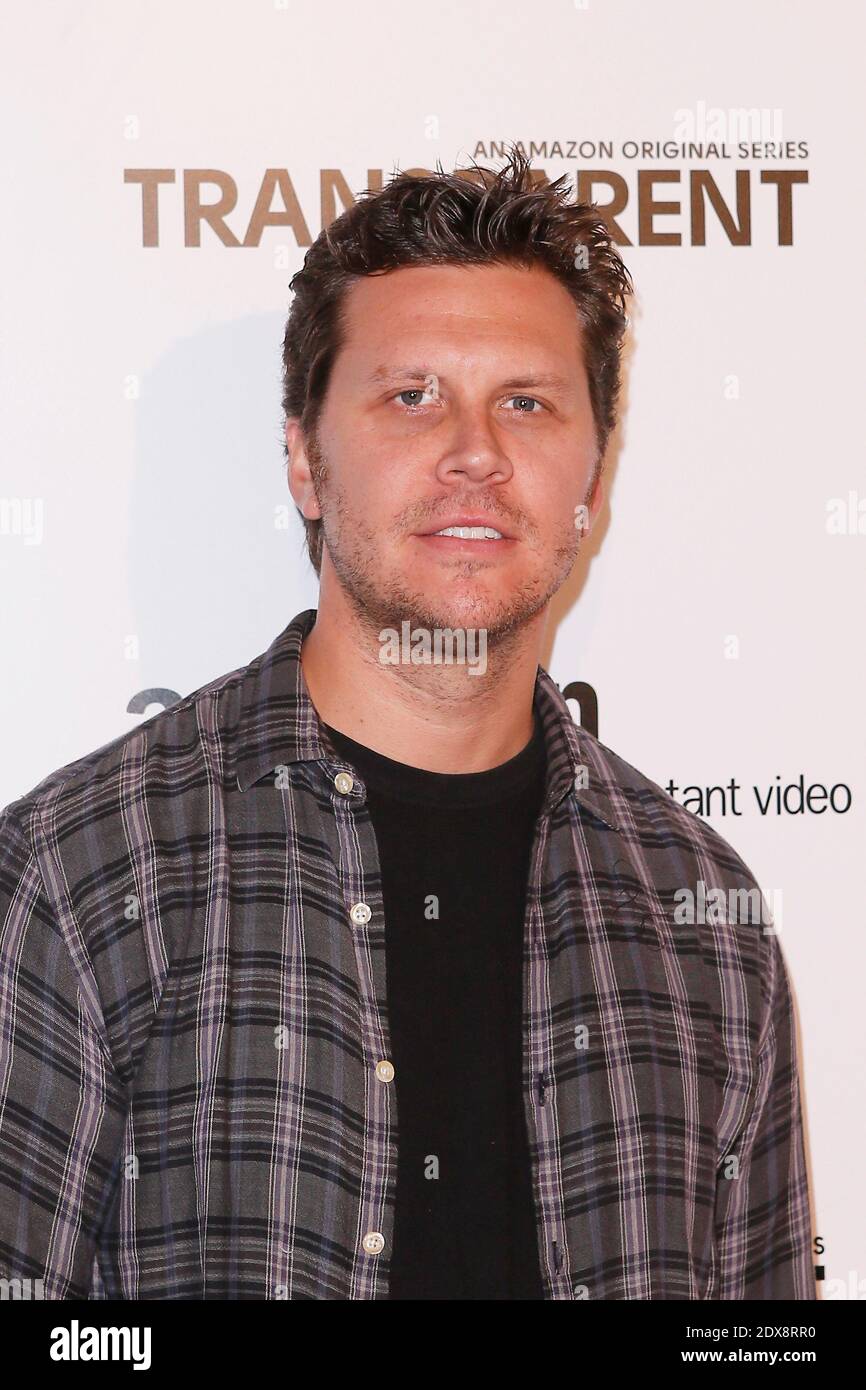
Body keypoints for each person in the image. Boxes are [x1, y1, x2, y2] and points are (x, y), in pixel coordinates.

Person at [0, 148, 814, 1300]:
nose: (475, 453)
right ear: (304, 460)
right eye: (411, 395)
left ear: (593, 476)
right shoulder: (83, 875)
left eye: (525, 403)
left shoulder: (701, 915)